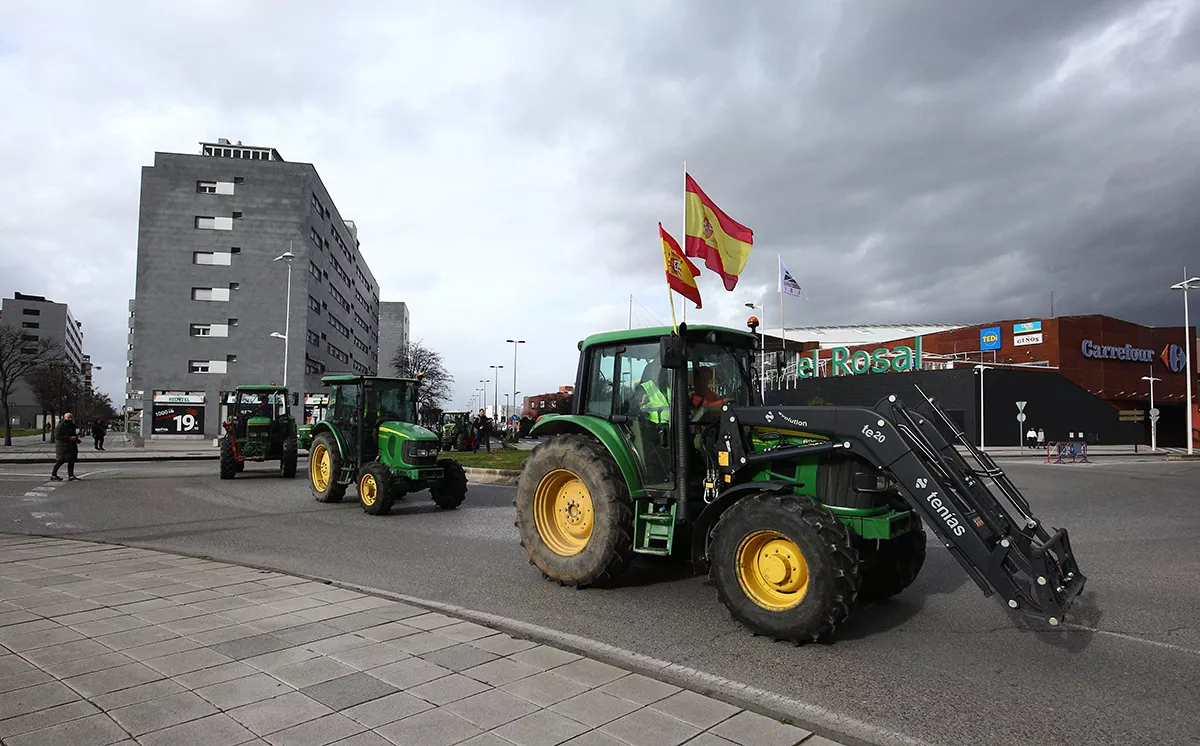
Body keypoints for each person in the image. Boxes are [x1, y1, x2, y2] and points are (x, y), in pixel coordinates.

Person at [51, 413, 80, 481]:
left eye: (71, 417)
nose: (70, 419)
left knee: (71, 460)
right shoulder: (60, 425)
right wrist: (69, 438)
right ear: (64, 418)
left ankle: (71, 475)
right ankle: (53, 475)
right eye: (68, 417)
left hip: (71, 445)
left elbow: (73, 434)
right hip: (62, 446)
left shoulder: (71, 425)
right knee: (61, 460)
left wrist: (76, 439)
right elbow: (57, 436)